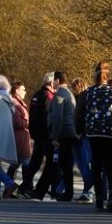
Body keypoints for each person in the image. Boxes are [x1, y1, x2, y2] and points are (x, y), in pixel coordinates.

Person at [76, 62, 112, 212]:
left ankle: (99, 199)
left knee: (96, 164)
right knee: (111, 164)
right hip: (109, 133)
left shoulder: (87, 93)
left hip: (93, 132)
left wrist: (79, 129)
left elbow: (79, 114)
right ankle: (111, 195)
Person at [18, 73, 56, 200]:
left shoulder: (37, 94)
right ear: (51, 83)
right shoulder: (47, 96)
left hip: (37, 134)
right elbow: (46, 118)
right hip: (45, 136)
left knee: (35, 162)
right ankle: (49, 189)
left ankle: (24, 187)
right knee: (50, 162)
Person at [48, 71, 77, 202]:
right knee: (68, 164)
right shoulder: (70, 94)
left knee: (64, 164)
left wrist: (55, 136)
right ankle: (67, 191)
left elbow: (57, 117)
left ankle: (67, 193)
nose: (52, 83)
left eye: (53, 80)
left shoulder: (59, 95)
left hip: (64, 133)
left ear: (58, 81)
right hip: (72, 132)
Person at [7, 81, 31, 183]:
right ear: (17, 91)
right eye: (23, 90)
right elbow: (16, 122)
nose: (25, 92)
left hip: (20, 138)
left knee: (16, 163)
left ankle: (9, 186)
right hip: (19, 138)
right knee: (25, 161)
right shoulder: (15, 104)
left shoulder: (18, 102)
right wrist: (28, 123)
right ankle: (25, 186)